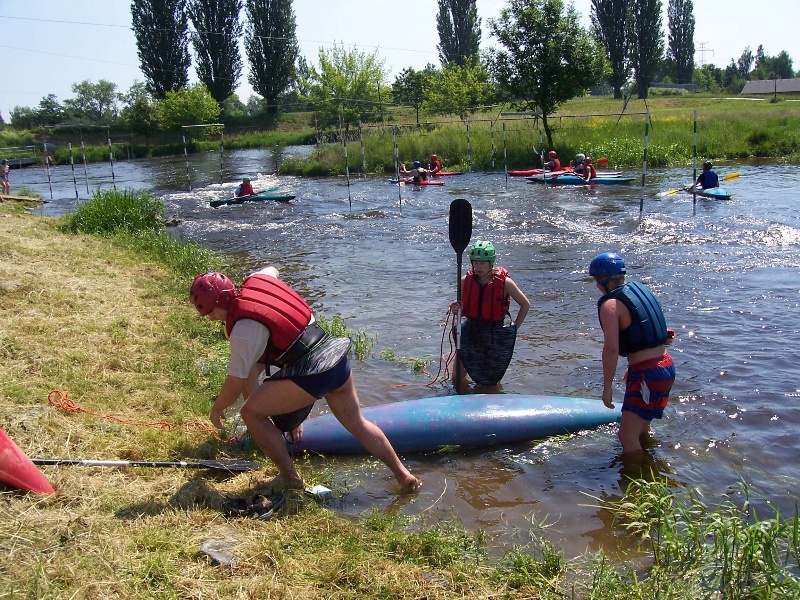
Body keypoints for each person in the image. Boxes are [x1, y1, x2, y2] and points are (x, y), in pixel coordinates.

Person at [189, 268, 420, 494]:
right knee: (357, 423)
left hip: (312, 372)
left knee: (250, 413)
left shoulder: (243, 330)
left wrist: (217, 409)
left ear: (223, 301)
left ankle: (289, 478)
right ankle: (403, 474)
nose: (211, 318)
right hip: (334, 356)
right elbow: (274, 269)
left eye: (211, 312)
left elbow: (235, 383)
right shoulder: (257, 278)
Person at [588, 252, 675, 461]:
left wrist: (607, 388)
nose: (596, 286)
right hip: (666, 366)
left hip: (648, 373)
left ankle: (636, 486)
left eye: (596, 281)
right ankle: (653, 467)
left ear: (603, 280)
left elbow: (611, 349)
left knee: (626, 436)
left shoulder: (610, 305)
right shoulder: (641, 290)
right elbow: (656, 333)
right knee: (641, 428)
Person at [449, 241, 530, 390]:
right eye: (475, 263)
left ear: (491, 262)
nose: (478, 267)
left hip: (494, 334)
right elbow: (463, 307)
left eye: (483, 263)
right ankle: (464, 401)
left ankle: (492, 401)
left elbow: (525, 305)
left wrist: (514, 329)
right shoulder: (465, 281)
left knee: (489, 380)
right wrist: (457, 309)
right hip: (471, 331)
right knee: (457, 377)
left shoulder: (505, 283)